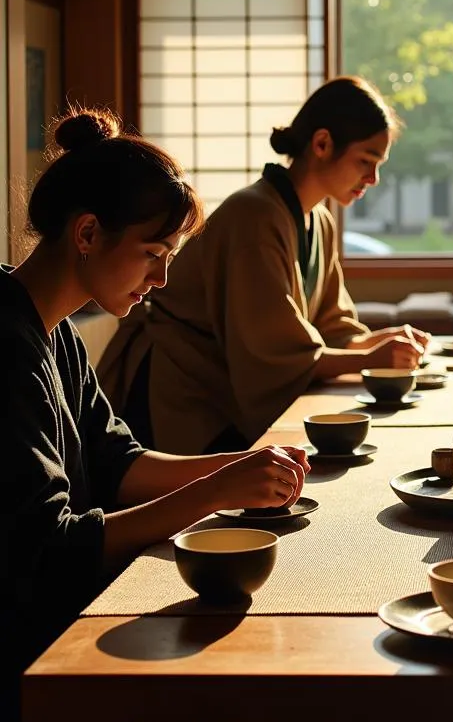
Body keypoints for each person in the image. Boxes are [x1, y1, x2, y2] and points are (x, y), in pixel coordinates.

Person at [2, 109, 310, 722]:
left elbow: (119, 464)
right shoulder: (5, 342)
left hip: (60, 614)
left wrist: (241, 466)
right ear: (87, 233)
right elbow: (50, 550)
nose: (162, 279)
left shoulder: (54, 330)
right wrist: (213, 492)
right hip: (26, 656)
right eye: (153, 254)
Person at [99, 76, 427, 456]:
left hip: (222, 390)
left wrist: (382, 342)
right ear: (322, 144)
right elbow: (275, 353)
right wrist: (368, 358)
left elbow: (329, 329)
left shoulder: (319, 221)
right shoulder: (254, 214)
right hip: (182, 393)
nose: (372, 179)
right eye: (366, 162)